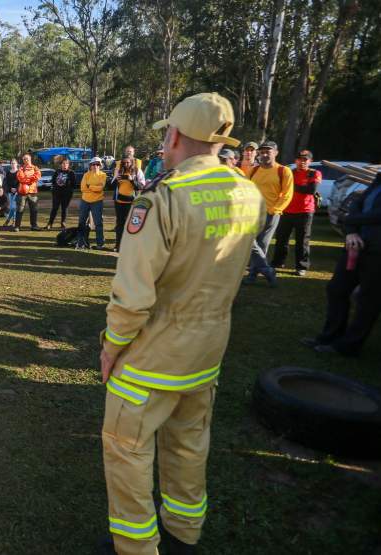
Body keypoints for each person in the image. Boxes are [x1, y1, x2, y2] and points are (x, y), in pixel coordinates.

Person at [99, 92, 263, 555]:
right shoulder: (248, 192)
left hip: (153, 356)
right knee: (189, 446)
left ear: (173, 136)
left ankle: (135, 547)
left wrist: (112, 346)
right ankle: (184, 534)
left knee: (127, 448)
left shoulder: (161, 200)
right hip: (208, 351)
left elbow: (132, 296)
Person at [303, 168, 381, 356]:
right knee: (337, 289)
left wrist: (351, 218)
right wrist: (352, 230)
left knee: (368, 300)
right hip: (357, 244)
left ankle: (348, 346)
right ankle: (330, 336)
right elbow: (358, 201)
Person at [243, 141, 293, 286]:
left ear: (276, 153)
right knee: (249, 243)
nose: (264, 154)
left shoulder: (283, 171)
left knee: (261, 245)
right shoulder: (253, 170)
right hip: (251, 213)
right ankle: (267, 270)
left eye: (268, 151)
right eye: (262, 151)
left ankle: (252, 275)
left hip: (271, 213)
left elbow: (287, 194)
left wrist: (274, 210)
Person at [271, 149, 321, 276]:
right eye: (299, 159)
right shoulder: (290, 172)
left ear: (310, 161)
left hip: (305, 211)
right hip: (286, 210)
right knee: (281, 238)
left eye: (305, 160)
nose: (302, 162)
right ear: (295, 160)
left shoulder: (314, 173)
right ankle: (277, 263)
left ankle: (301, 266)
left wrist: (291, 187)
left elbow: (310, 190)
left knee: (302, 240)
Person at [111, 156, 146, 251]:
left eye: (128, 163)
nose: (126, 164)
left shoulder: (137, 171)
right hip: (119, 202)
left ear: (132, 163)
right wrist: (116, 180)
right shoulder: (119, 171)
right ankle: (118, 245)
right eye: (124, 163)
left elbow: (141, 186)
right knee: (119, 224)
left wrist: (131, 180)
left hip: (132, 202)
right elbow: (111, 186)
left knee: (132, 225)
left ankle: (130, 246)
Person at [77, 157, 107, 250]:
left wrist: (89, 186)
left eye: (97, 164)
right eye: (93, 164)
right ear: (90, 165)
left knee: (98, 223)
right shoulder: (86, 175)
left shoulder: (103, 175)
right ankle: (81, 243)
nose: (95, 166)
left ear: (100, 165)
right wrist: (94, 187)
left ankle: (100, 244)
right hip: (85, 201)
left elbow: (101, 188)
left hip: (97, 202)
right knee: (82, 222)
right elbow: (82, 188)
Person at [47, 158, 76, 230]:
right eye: (63, 163)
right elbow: (53, 181)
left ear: (68, 165)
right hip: (56, 194)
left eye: (66, 163)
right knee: (54, 208)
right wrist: (54, 190)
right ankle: (50, 223)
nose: (65, 165)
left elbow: (74, 184)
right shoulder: (57, 172)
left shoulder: (71, 173)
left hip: (66, 194)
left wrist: (70, 191)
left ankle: (63, 223)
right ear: (61, 165)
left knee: (64, 209)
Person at [15, 154, 41, 232]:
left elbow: (37, 176)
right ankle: (17, 226)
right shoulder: (21, 169)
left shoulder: (35, 168)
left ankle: (34, 225)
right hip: (22, 193)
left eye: (27, 159)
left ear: (30, 159)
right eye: (24, 159)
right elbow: (20, 178)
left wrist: (28, 179)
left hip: (33, 192)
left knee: (34, 210)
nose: (25, 160)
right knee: (20, 209)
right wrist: (30, 180)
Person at [3, 158, 19, 228]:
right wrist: (10, 189)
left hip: (17, 192)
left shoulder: (19, 172)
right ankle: (10, 220)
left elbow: (20, 182)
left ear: (17, 164)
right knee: (12, 207)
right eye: (12, 163)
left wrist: (16, 189)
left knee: (14, 207)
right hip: (10, 192)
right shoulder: (8, 172)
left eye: (14, 163)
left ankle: (13, 221)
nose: (13, 164)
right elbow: (6, 183)